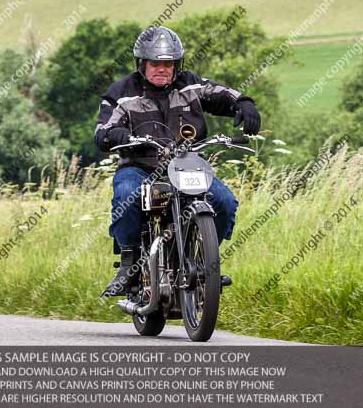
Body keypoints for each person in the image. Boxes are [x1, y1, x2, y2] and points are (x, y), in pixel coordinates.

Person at [95, 26, 261, 297]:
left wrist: (244, 104)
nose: (162, 69)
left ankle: (205, 260)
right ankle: (129, 264)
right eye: (155, 63)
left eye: (168, 64)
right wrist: (116, 134)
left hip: (187, 164)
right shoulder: (122, 92)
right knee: (126, 194)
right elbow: (102, 131)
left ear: (177, 65)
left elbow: (220, 93)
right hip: (140, 166)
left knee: (224, 201)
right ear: (142, 64)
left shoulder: (189, 84)